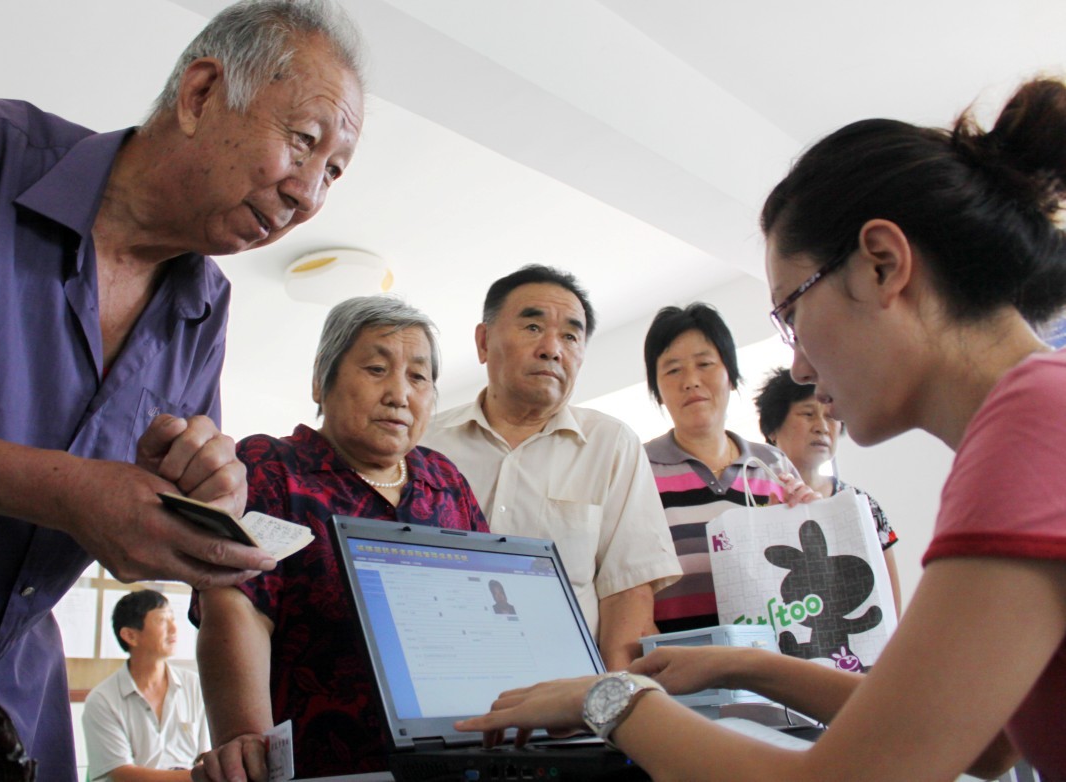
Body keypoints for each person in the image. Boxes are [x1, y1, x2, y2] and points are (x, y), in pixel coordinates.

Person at [456, 78, 1066, 780]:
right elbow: (980, 738)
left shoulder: (1030, 428)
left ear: (881, 265)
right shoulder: (1034, 414)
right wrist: (742, 665)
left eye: (790, 313)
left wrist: (612, 698)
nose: (800, 367)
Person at [0, 2, 364, 777]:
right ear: (201, 93)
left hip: (11, 712)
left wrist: (213, 491)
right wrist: (70, 490)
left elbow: (174, 505)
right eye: (303, 142)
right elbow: (82, 495)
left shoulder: (203, 305)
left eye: (333, 172)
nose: (308, 196)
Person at [192, 296, 488, 781]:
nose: (399, 394)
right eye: (376, 368)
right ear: (320, 380)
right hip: (323, 762)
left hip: (460, 758)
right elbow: (236, 603)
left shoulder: (444, 480)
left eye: (418, 377)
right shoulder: (272, 468)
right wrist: (244, 737)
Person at [422, 265, 681, 669]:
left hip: (567, 702)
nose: (552, 348)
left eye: (571, 336)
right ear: (484, 341)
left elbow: (627, 596)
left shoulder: (611, 445)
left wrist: (616, 715)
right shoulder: (423, 443)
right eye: (532, 328)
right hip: (441, 679)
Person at [642, 303, 816, 633]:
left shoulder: (773, 464)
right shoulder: (638, 470)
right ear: (658, 391)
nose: (691, 381)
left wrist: (803, 514)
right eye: (673, 370)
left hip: (771, 660)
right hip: (680, 666)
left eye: (705, 364)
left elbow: (799, 563)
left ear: (731, 377)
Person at [756, 367, 902, 614]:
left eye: (831, 416)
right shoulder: (751, 500)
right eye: (808, 414)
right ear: (772, 429)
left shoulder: (861, 503)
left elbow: (890, 598)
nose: (822, 427)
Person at [83, 590, 209, 781]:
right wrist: (198, 778)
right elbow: (123, 775)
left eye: (173, 619)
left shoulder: (194, 686)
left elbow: (206, 757)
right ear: (130, 635)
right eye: (161, 620)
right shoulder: (102, 699)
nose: (174, 628)